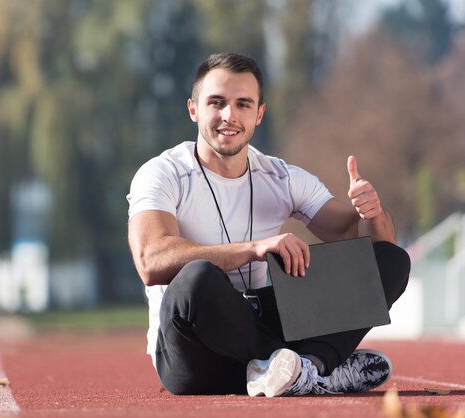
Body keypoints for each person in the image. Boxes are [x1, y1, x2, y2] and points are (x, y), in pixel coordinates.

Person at [126, 52, 410, 396]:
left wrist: (372, 214)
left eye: (243, 104)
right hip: (194, 351)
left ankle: (308, 367)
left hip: (267, 328)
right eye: (216, 102)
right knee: (196, 279)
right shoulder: (163, 173)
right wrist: (253, 249)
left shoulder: (280, 176)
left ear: (259, 113)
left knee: (392, 260)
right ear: (194, 109)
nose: (229, 115)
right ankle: (307, 365)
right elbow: (150, 260)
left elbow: (371, 246)